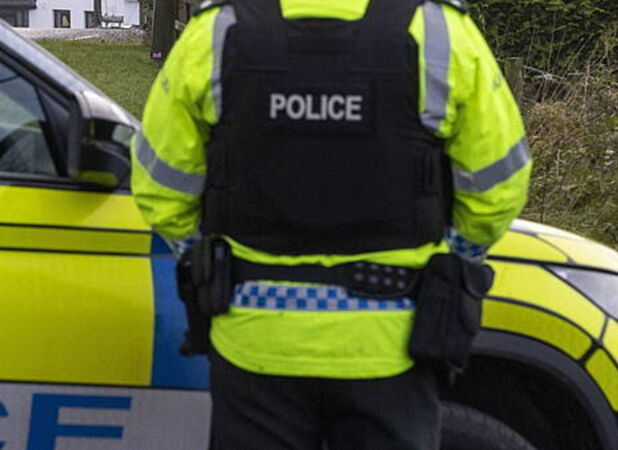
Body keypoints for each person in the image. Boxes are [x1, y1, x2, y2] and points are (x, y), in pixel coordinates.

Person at [131, 0, 531, 448]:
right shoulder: (439, 29)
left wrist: (205, 259)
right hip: (393, 342)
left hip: (254, 341)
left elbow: (159, 186)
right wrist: (452, 260)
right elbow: (499, 187)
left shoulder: (217, 29)